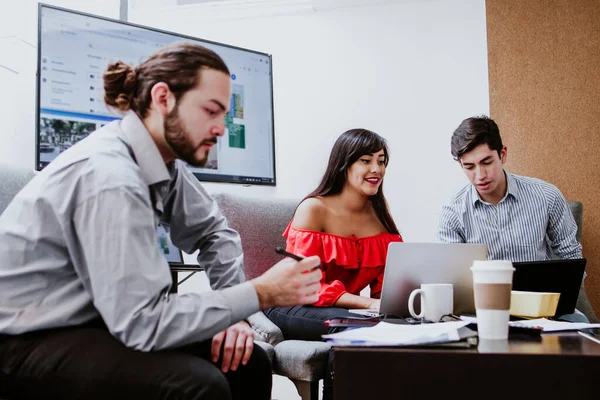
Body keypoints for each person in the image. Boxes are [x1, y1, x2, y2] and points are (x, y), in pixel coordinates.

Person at [0, 42, 322, 400]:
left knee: (248, 364)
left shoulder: (162, 164)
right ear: (163, 97)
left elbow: (215, 232)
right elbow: (143, 322)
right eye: (211, 111)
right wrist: (260, 293)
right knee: (198, 385)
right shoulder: (111, 176)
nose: (221, 129)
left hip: (95, 324)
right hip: (23, 341)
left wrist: (234, 316)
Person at [436, 115, 588, 321]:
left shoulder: (547, 196)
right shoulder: (452, 213)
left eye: (486, 162)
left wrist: (557, 303)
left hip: (544, 311)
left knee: (580, 323)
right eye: (469, 167)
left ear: (503, 154)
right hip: (483, 314)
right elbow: (454, 280)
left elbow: (571, 258)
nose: (479, 175)